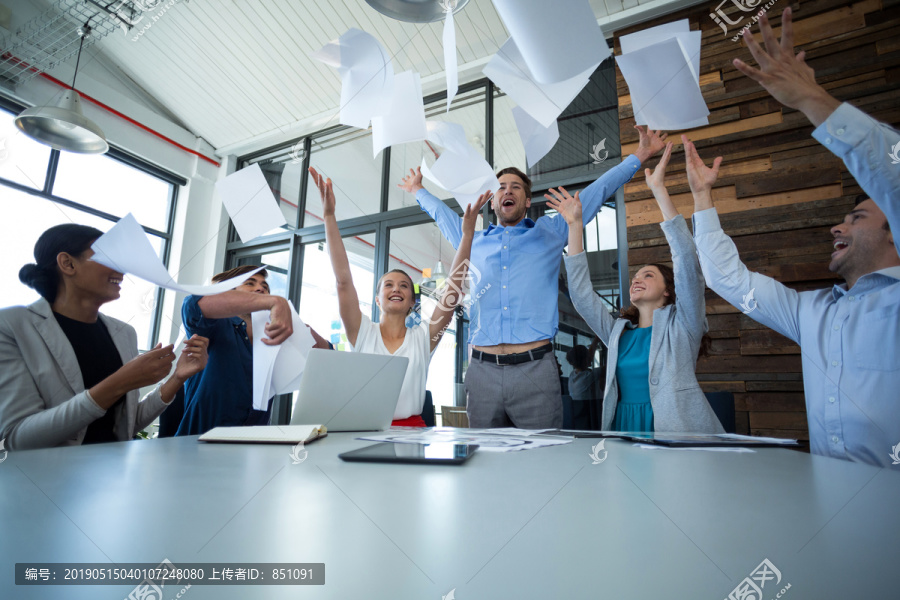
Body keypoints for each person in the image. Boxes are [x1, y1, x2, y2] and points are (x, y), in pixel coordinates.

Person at [688, 8, 899, 465]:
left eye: (857, 218)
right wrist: (702, 199)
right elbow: (730, 281)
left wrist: (811, 99)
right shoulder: (812, 311)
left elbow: (894, 178)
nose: (837, 226)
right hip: (833, 512)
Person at [398, 128, 668, 428]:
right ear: (492, 201)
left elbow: (596, 193)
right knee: (485, 463)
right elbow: (442, 215)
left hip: (535, 369)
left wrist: (639, 156)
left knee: (543, 461)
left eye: (515, 187)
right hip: (482, 372)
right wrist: (417, 191)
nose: (508, 191)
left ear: (527, 201)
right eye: (500, 187)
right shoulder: (471, 239)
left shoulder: (551, 232)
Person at [549, 143, 723, 433]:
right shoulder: (618, 333)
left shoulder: (685, 324)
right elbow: (580, 294)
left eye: (649, 275)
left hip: (675, 431)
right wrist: (575, 225)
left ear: (669, 290)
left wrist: (658, 189)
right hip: (624, 428)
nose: (637, 279)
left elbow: (686, 262)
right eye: (635, 277)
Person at [0, 224, 209, 450]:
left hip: (110, 474)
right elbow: (16, 440)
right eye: (108, 257)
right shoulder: (12, 325)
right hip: (46, 479)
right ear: (68, 264)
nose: (122, 269)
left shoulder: (124, 333)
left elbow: (128, 424)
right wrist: (120, 381)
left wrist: (177, 377)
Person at [312, 167, 487, 427]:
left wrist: (468, 236)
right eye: (389, 285)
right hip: (364, 427)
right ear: (377, 299)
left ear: (412, 302)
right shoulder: (362, 332)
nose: (396, 289)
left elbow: (451, 291)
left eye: (404, 286)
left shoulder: (423, 338)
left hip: (413, 432)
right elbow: (343, 281)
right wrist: (328, 216)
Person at [175, 266, 331, 436]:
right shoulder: (214, 325)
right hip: (197, 446)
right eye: (250, 283)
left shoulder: (274, 339)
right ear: (228, 292)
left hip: (253, 448)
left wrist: (302, 328)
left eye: (265, 287)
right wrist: (277, 301)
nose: (261, 288)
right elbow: (192, 305)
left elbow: (328, 356)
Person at [565, 339, 603, 429]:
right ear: (585, 359)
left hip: (578, 415)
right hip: (588, 413)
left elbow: (586, 358)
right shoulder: (588, 376)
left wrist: (595, 341)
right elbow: (610, 366)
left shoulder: (572, 375)